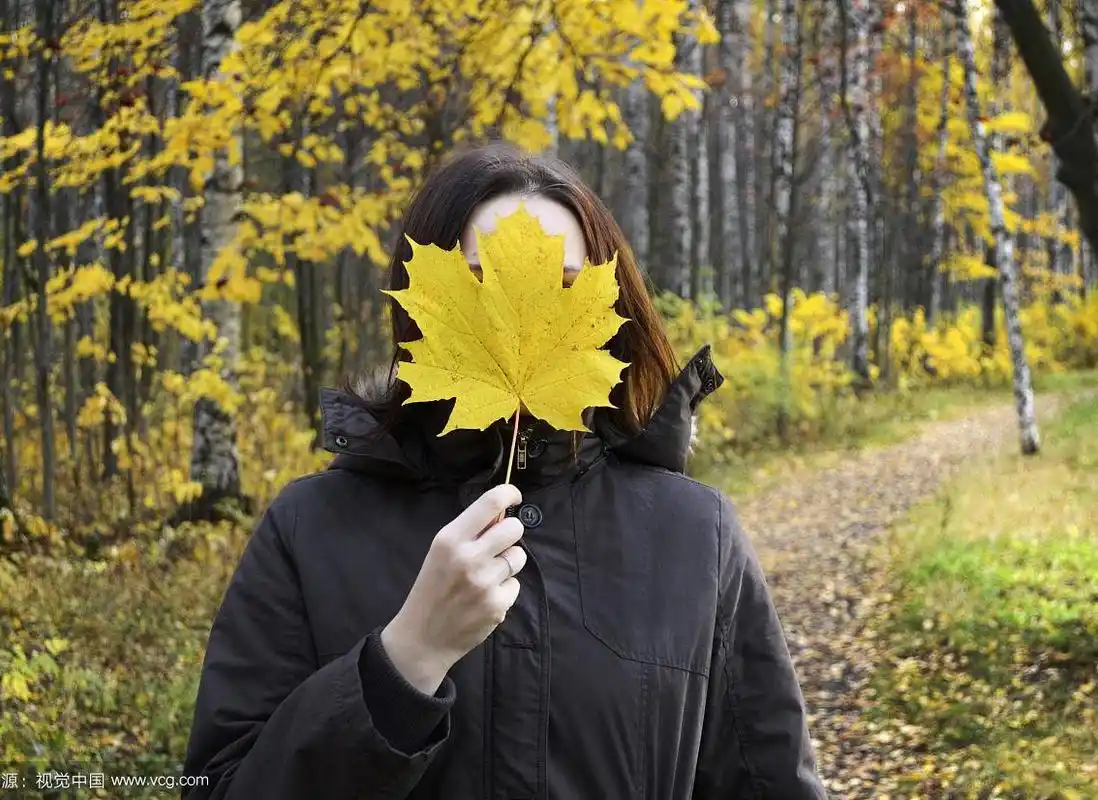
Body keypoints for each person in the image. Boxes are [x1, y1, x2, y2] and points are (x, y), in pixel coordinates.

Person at [181, 143, 826, 799]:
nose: (521, 317)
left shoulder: (696, 534)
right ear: (421, 307)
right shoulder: (309, 528)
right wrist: (406, 658)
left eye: (565, 288)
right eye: (480, 283)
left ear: (609, 314)